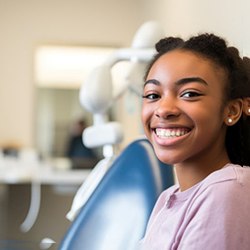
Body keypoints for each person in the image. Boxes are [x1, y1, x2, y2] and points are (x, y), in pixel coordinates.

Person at [139, 33, 250, 249]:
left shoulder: (226, 190)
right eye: (153, 95)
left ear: (232, 110)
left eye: (189, 94)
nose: (164, 109)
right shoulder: (167, 198)